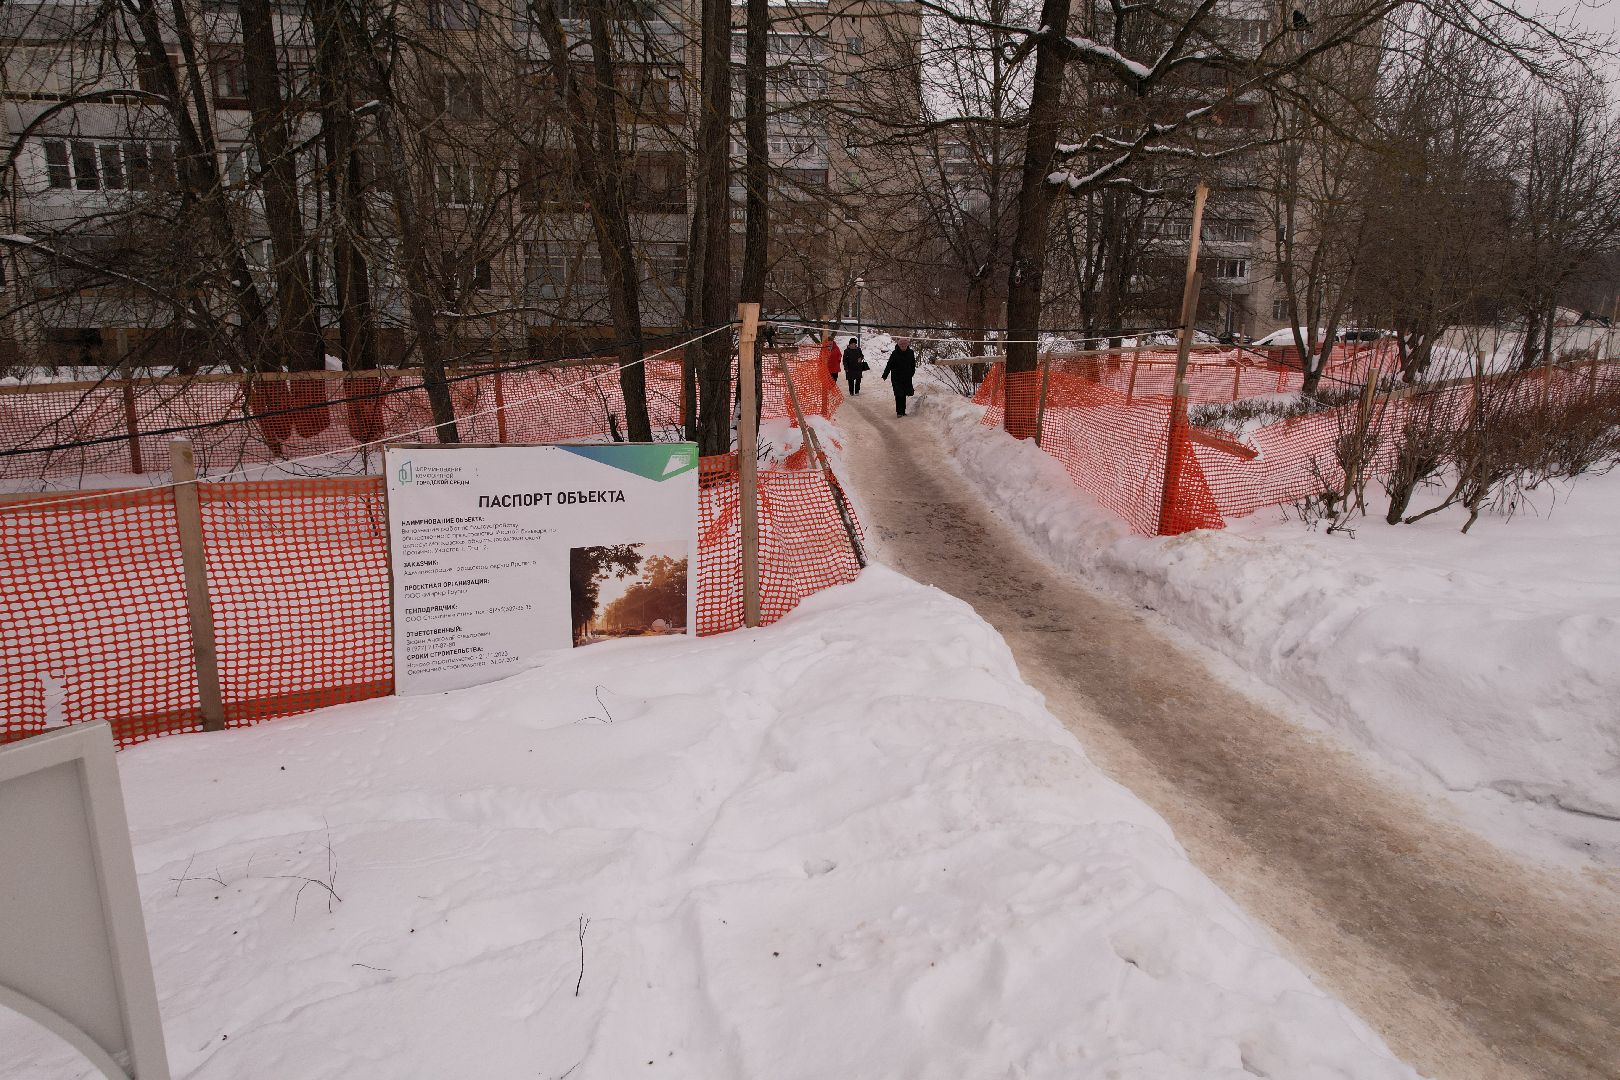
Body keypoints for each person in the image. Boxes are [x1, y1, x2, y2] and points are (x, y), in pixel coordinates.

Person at [882, 336, 917, 416]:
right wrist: (885, 374)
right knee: (898, 394)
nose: (903, 347)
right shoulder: (895, 353)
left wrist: (912, 372)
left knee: (904, 394)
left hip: (906, 377)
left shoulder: (910, 352)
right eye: (902, 346)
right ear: (899, 346)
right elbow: (889, 365)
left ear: (907, 345)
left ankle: (903, 411)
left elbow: (913, 364)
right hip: (896, 377)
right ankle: (899, 412)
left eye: (905, 346)